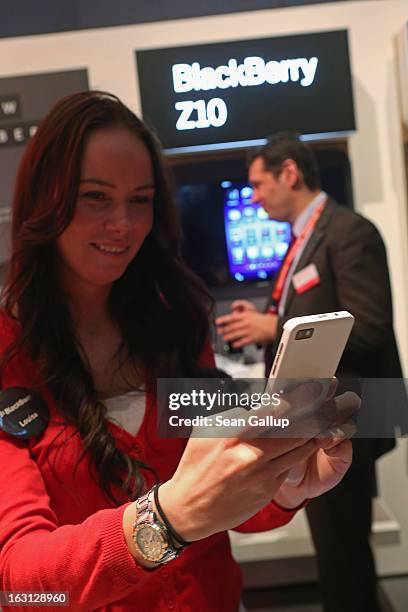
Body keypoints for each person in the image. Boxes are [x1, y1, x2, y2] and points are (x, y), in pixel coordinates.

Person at [0, 96, 356, 612]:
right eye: (95, 197)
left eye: (140, 200)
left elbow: (216, 504)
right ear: (45, 201)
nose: (122, 224)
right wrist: (162, 522)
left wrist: (285, 487)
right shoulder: (10, 352)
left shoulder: (174, 323)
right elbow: (19, 584)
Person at [216, 132, 404, 612]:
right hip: (319, 422)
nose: (253, 197)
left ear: (290, 174)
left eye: (259, 184)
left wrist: (274, 325)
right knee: (336, 553)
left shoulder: (348, 231)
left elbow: (371, 327)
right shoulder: (305, 238)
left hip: (346, 425)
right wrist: (268, 331)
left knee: (345, 556)